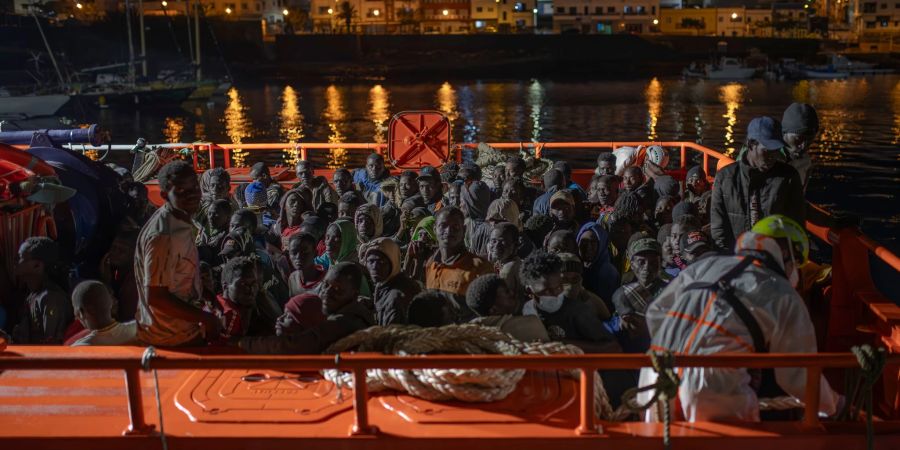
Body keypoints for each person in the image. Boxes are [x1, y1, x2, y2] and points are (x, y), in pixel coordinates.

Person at [639, 216, 840, 422]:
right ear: (788, 254)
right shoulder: (782, 292)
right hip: (713, 386)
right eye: (797, 264)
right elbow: (798, 374)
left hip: (656, 376)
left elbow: (655, 313)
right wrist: (833, 406)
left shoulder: (705, 266)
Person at [134, 161, 218, 347]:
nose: (192, 195)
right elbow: (155, 296)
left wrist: (203, 292)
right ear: (164, 195)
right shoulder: (164, 236)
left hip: (182, 330)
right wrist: (207, 319)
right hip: (169, 337)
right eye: (181, 191)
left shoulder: (180, 220)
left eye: (194, 187)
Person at [711, 116, 805, 251]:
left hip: (773, 259)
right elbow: (718, 231)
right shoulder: (725, 178)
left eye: (776, 150)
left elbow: (796, 224)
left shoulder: (788, 177)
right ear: (750, 144)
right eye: (767, 150)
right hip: (735, 259)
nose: (773, 156)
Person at [239, 263, 375, 354]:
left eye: (337, 289)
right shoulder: (355, 313)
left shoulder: (345, 322)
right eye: (326, 285)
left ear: (354, 294)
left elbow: (295, 344)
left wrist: (242, 344)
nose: (327, 292)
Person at [520, 251, 620, 353]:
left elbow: (613, 347)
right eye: (547, 290)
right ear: (529, 290)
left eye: (558, 287)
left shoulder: (577, 311)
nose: (555, 294)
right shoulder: (525, 312)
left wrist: (560, 344)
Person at [425, 207, 493, 322]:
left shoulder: (479, 267)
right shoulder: (431, 263)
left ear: (464, 230)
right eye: (443, 226)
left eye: (455, 226)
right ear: (434, 228)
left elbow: (489, 314)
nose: (448, 231)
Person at [609, 238, 666, 352]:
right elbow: (615, 324)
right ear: (632, 264)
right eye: (641, 262)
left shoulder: (669, 292)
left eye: (653, 262)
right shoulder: (624, 291)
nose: (647, 267)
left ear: (661, 264)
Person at [11, 237, 70, 345]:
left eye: (19, 257)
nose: (14, 260)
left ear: (37, 265)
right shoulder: (31, 295)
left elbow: (50, 345)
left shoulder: (50, 298)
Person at [466, 274, 550, 342]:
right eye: (506, 292)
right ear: (494, 310)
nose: (512, 293)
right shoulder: (528, 325)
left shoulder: (472, 335)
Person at [362, 237, 421, 326]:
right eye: (371, 261)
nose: (375, 267)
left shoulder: (396, 298)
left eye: (381, 262)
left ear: (393, 262)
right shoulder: (385, 283)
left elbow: (390, 336)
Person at [70, 280, 137, 346]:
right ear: (111, 303)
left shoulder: (79, 348)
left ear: (81, 313)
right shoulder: (139, 330)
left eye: (76, 314)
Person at [214, 256, 260, 341]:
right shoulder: (229, 315)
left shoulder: (218, 300)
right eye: (243, 284)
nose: (250, 289)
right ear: (225, 286)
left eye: (254, 283)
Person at [576, 222, 620, 307]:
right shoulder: (577, 268)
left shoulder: (607, 272)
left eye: (593, 242)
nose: (588, 247)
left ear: (601, 244)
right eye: (584, 242)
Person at [487, 222, 525, 310]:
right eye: (493, 241)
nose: (496, 246)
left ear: (515, 245)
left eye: (503, 242)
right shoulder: (514, 261)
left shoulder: (508, 269)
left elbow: (499, 300)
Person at [781, 102, 819, 191]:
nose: (803, 146)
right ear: (784, 132)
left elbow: (800, 198)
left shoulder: (806, 163)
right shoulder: (765, 158)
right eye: (798, 139)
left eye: (809, 139)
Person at [461, 180, 494, 257]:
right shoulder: (467, 223)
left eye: (463, 201)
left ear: (472, 203)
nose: (460, 204)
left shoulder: (488, 229)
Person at [196, 199, 233, 265]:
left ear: (228, 217)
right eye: (209, 213)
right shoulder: (205, 229)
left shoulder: (228, 237)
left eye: (216, 214)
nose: (211, 217)